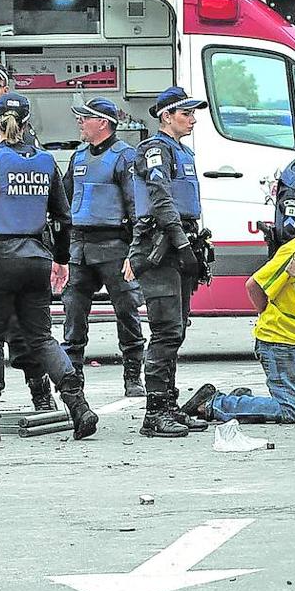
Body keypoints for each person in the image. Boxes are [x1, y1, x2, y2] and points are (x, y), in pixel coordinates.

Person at [0, 93, 98, 444]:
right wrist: (61, 260)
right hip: (37, 257)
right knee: (42, 337)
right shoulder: (46, 161)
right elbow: (64, 219)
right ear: (29, 121)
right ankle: (78, 406)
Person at [125, 86, 211, 438]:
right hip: (159, 248)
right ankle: (155, 412)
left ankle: (169, 404)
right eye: (185, 114)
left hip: (181, 242)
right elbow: (160, 201)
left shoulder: (182, 151)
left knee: (177, 328)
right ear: (166, 116)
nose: (192, 120)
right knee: (165, 331)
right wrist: (180, 243)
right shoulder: (155, 150)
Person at [179, 234, 295, 425]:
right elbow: (254, 285)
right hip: (281, 340)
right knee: (291, 412)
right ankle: (215, 402)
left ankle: (243, 402)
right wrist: (268, 315)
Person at [61, 97, 146, 396]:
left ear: (103, 123)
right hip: (80, 245)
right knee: (73, 314)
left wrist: (135, 253)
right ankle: (72, 380)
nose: (79, 123)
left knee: (126, 311)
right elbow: (64, 198)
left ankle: (133, 376)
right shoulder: (78, 157)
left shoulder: (125, 157)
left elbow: (137, 209)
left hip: (114, 246)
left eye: (85, 118)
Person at [0, 60, 54, 409]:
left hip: (3, 249)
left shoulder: (20, 138)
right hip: (14, 251)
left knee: (16, 331)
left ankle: (39, 392)